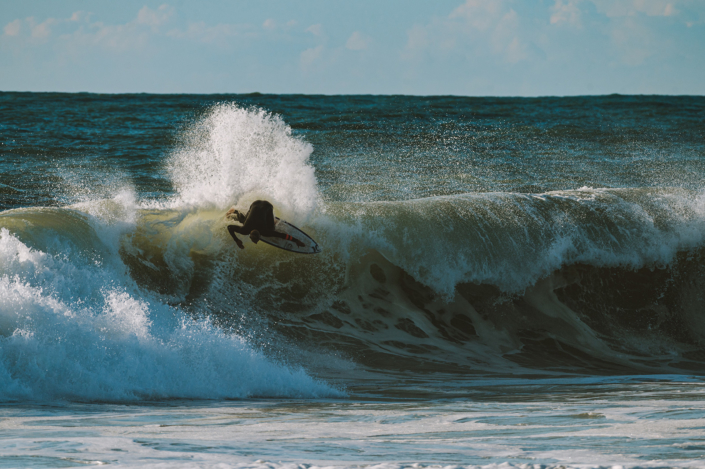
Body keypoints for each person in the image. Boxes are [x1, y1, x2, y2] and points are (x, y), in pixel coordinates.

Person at [226, 200, 304, 250]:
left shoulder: (266, 232)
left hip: (267, 206)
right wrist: (236, 240)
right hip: (255, 203)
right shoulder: (245, 229)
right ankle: (235, 211)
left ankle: (274, 222)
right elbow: (229, 227)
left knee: (272, 229)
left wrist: (296, 240)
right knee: (244, 223)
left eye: (255, 240)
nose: (256, 242)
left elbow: (281, 235)